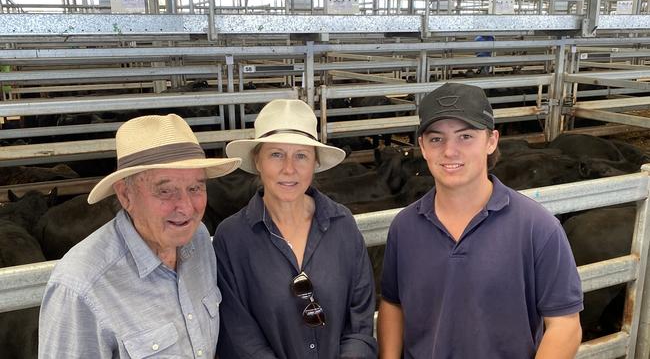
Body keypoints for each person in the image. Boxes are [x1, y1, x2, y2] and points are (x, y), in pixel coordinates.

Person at [378, 83, 583, 358]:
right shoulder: (404, 227)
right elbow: (393, 304)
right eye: (436, 139)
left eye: (466, 136)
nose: (450, 151)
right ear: (423, 148)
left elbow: (565, 324)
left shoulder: (537, 227)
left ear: (491, 141)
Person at [38, 114, 241, 358]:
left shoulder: (198, 239)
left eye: (195, 188)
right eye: (165, 191)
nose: (187, 207)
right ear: (125, 195)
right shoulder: (80, 287)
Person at [213, 99, 377, 359]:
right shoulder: (231, 238)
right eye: (276, 154)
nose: (289, 168)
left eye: (301, 155)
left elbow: (360, 319)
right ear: (258, 161)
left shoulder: (342, 225)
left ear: (315, 163)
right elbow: (238, 336)